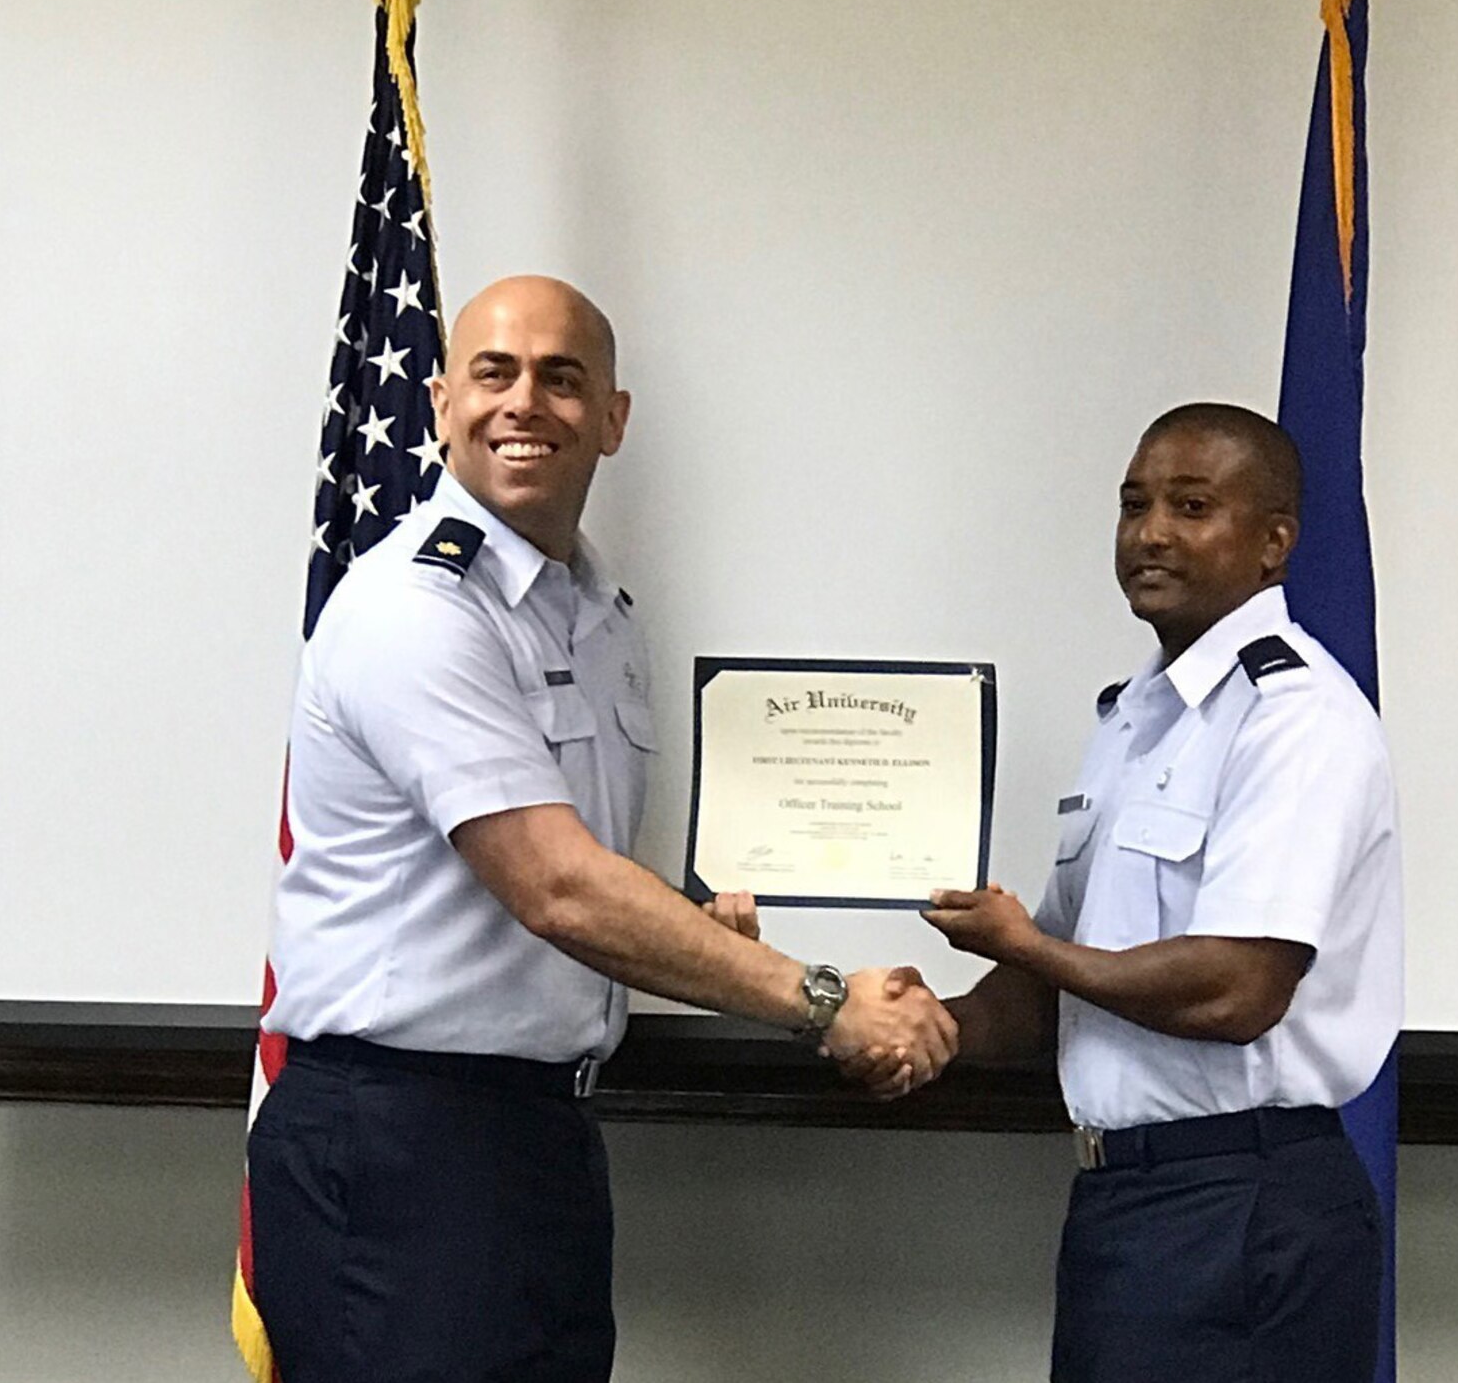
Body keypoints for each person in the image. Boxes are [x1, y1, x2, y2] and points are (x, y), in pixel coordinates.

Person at [247, 274, 957, 1383]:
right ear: (438, 403)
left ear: (612, 418)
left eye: (561, 377)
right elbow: (557, 887)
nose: (523, 402)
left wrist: (699, 931)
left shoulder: (597, 617)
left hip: (536, 1138)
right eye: (493, 372)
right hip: (401, 1140)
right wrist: (824, 1000)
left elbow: (557, 876)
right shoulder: (416, 608)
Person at [902, 401, 1400, 1383]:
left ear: (1273, 542)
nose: (1150, 532)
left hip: (1242, 1201)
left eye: (1190, 504)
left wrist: (1023, 944)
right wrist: (899, 1023)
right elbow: (1051, 983)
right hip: (1129, 1207)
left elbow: (1238, 986)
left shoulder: (1292, 719)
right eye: (1133, 504)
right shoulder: (1136, 720)